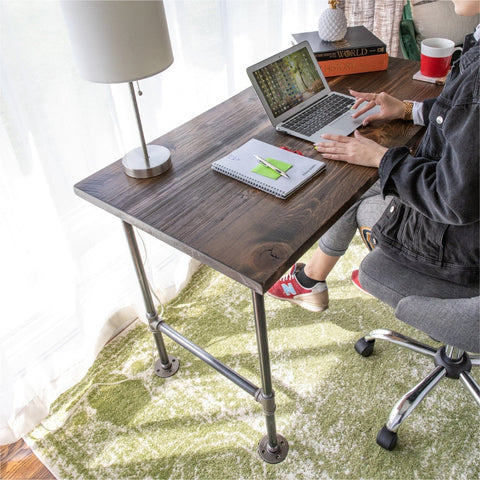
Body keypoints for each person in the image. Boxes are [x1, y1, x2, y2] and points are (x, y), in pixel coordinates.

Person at [268, 0, 479, 312]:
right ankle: (311, 280)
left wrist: (381, 158)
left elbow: (453, 199)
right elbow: (464, 116)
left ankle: (310, 280)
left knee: (351, 186)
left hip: (460, 250)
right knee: (364, 166)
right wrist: (408, 109)